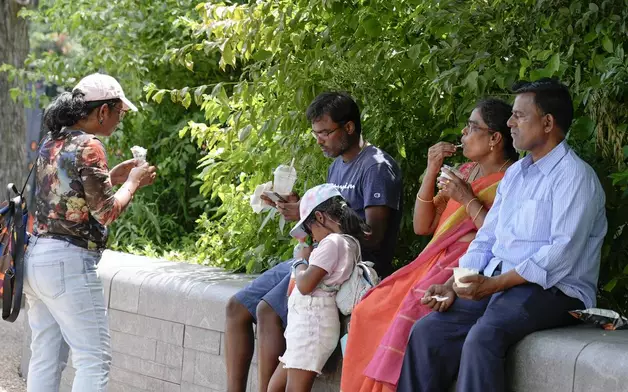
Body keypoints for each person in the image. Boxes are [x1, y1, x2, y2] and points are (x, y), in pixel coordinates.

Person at [396, 78, 608, 392]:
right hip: (503, 285)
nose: (510, 122)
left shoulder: (575, 177)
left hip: (556, 291)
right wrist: (456, 283)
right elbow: (488, 237)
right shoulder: (516, 175)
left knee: (484, 337)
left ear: (547, 122)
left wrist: (494, 284)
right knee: (429, 331)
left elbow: (559, 256)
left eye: (519, 116)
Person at [225, 92, 403, 392]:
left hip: (345, 265)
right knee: (235, 307)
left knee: (267, 311)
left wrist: (318, 217)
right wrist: (304, 212)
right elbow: (329, 220)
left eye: (325, 133)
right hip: (319, 255)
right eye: (316, 133)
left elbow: (374, 235)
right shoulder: (337, 166)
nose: (320, 140)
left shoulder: (376, 167)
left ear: (348, 128)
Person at [340, 98, 518, 392]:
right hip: (435, 258)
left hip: (469, 262)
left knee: (406, 310)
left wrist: (467, 199)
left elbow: (503, 236)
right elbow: (423, 227)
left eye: (472, 127)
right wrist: (432, 168)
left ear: (495, 138)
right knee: (368, 309)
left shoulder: (514, 179)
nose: (463, 132)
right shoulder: (465, 171)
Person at [24, 73, 157, 392]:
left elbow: (71, 199)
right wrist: (133, 182)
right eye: (120, 112)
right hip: (68, 263)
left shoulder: (52, 141)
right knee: (93, 358)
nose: (119, 119)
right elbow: (106, 211)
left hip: (36, 257)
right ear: (103, 111)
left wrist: (111, 177)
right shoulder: (90, 146)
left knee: (45, 357)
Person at [267, 184, 369, 392]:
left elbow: (305, 285)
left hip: (312, 326)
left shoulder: (333, 243)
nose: (312, 237)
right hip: (307, 324)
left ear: (320, 218)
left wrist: (299, 261)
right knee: (274, 387)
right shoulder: (346, 242)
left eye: (309, 228)